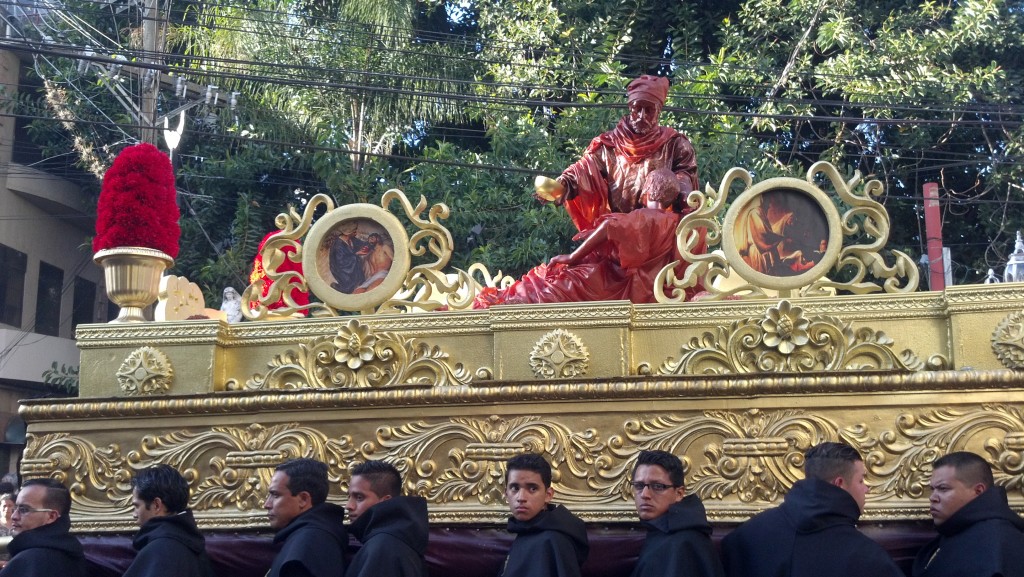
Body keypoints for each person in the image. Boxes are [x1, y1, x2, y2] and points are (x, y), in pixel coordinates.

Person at [474, 168, 702, 307]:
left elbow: (608, 226)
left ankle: (505, 301)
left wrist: (573, 256)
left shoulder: (644, 216)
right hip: (644, 288)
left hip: (614, 282)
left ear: (647, 191)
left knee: (548, 285)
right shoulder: (677, 223)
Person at [542, 75, 699, 234]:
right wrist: (561, 186)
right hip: (617, 231)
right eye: (637, 109)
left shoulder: (675, 144)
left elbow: (685, 175)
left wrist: (686, 196)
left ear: (659, 111)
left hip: (654, 231)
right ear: (630, 108)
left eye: (649, 110)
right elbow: (583, 170)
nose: (642, 116)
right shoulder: (608, 144)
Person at [720, 442, 902, 577]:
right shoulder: (867, 557)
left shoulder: (746, 537)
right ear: (839, 484)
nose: (866, 489)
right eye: (861, 480)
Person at [911, 451, 1024, 577]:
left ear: (978, 491)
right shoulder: (956, 529)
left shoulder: (993, 541)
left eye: (943, 488)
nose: (933, 498)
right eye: (932, 489)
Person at [628, 450, 723, 577]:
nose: (645, 494)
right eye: (639, 486)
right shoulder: (661, 533)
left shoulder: (684, 543)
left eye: (657, 486)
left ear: (679, 493)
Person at [500, 453, 588, 577]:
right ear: (506, 493)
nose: (521, 498)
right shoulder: (527, 530)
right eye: (515, 488)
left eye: (532, 489)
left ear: (548, 495)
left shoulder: (553, 541)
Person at [122, 464, 215, 577]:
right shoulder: (193, 546)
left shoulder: (159, 551)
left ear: (156, 505)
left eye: (137, 506)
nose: (134, 515)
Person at [264, 458, 348, 577]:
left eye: (275, 495)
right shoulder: (310, 537)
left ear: (303, 499)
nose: (267, 504)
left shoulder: (309, 542)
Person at [344, 460, 428, 577]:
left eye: (359, 497)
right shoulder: (393, 540)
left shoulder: (383, 548)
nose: (349, 506)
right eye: (349, 497)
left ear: (385, 501)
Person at [0, 478, 87, 577]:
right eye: (15, 508)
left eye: (24, 509)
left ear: (51, 516)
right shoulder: (70, 552)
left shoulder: (32, 560)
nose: (14, 516)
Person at [328, 223, 368, 294]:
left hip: (354, 269)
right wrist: (357, 254)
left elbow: (362, 244)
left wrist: (367, 246)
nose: (356, 233)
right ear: (348, 232)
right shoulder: (338, 245)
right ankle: (342, 288)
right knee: (349, 290)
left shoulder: (351, 239)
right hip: (342, 271)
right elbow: (340, 262)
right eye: (354, 231)